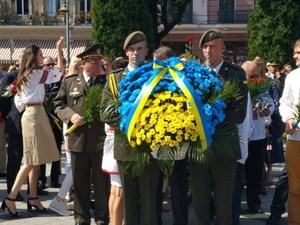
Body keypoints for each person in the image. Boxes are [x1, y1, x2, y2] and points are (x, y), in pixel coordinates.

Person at [0, 37, 64, 217]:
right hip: (35, 114)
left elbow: (19, 102)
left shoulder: (27, 74)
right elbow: (59, 71)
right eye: (41, 55)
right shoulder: (35, 74)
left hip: (34, 113)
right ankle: (11, 198)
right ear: (34, 57)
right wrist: (59, 50)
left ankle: (33, 197)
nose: (43, 57)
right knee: (31, 159)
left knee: (36, 158)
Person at [189, 28, 248, 225]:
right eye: (205, 47)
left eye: (212, 46)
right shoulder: (192, 74)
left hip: (224, 150)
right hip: (199, 149)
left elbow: (239, 114)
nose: (208, 51)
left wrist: (209, 117)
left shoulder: (235, 75)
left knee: (224, 205)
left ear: (222, 49)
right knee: (200, 203)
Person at [100, 31, 160, 225]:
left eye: (140, 48)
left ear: (147, 51)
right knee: (130, 201)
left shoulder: (158, 76)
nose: (136, 53)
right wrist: (132, 126)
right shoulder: (114, 79)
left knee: (149, 200)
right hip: (125, 148)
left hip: (150, 148)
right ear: (126, 53)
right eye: (132, 49)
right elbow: (106, 112)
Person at [54, 44, 110, 225]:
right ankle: (81, 217)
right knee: (80, 183)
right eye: (95, 62)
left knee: (102, 183)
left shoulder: (106, 81)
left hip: (100, 140)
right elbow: (58, 104)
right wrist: (71, 116)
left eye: (100, 62)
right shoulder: (70, 81)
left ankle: (102, 216)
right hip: (78, 140)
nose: (99, 65)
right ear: (84, 63)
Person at [153, 45, 190, 225]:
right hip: (155, 140)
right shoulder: (150, 80)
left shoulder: (183, 79)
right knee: (155, 186)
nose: (158, 67)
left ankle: (180, 221)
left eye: (162, 63)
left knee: (178, 185)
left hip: (178, 139)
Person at [48, 56, 82, 217]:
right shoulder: (69, 81)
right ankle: (61, 197)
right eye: (80, 64)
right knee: (74, 164)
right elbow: (59, 105)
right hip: (71, 127)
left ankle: (65, 195)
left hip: (71, 126)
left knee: (72, 164)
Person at [272, 39, 300, 225]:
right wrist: (289, 118)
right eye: (295, 52)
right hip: (296, 139)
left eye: (299, 52)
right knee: (295, 188)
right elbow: (285, 102)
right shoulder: (293, 77)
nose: (295, 56)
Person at [242, 61, 275, 214]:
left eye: (257, 76)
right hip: (240, 137)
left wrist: (266, 111)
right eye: (251, 76)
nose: (254, 79)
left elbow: (271, 105)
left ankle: (254, 203)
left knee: (255, 172)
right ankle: (233, 203)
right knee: (237, 173)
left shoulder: (262, 89)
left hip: (257, 136)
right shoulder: (237, 87)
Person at [0, 54, 24, 200]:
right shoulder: (11, 76)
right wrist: (7, 114)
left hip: (30, 121)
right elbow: (2, 96)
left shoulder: (34, 76)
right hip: (14, 121)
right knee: (15, 158)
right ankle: (12, 190)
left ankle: (35, 187)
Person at [39, 56, 64, 190]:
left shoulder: (58, 79)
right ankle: (42, 179)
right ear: (42, 66)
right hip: (43, 118)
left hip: (56, 119)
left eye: (51, 64)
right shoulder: (40, 80)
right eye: (47, 65)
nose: (50, 67)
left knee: (56, 150)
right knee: (42, 151)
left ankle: (54, 179)